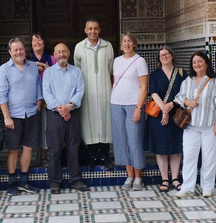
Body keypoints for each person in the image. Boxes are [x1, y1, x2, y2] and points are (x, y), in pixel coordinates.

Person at [173, 51, 216, 198]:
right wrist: (188, 102)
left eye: (200, 61)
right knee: (189, 157)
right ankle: (187, 188)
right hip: (191, 126)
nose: (197, 64)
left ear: (206, 63)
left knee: (209, 158)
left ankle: (207, 187)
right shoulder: (188, 81)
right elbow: (179, 97)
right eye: (194, 62)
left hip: (210, 126)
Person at [0, 37, 43, 195]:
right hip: (13, 116)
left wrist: (37, 109)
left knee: (28, 148)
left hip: (31, 114)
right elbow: (1, 96)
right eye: (15, 49)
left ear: (25, 50)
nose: (18, 52)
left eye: (21, 49)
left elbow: (38, 90)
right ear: (10, 52)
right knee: (13, 149)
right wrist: (6, 117)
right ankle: (12, 182)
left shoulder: (32, 67)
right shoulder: (4, 69)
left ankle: (24, 181)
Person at [42, 43, 88, 194]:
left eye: (64, 52)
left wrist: (69, 106)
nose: (61, 54)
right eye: (58, 52)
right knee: (54, 149)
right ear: (54, 55)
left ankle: (75, 180)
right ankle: (55, 181)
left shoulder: (77, 71)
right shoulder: (49, 73)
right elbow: (47, 93)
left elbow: (80, 90)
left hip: (72, 113)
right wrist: (61, 109)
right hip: (55, 115)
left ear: (69, 53)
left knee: (73, 147)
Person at [73, 19, 114, 168]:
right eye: (90, 29)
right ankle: (91, 157)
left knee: (105, 122)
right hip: (87, 92)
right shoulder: (79, 48)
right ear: (85, 30)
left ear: (99, 30)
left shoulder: (107, 46)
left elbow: (110, 69)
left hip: (105, 91)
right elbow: (77, 69)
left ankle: (104, 156)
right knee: (88, 123)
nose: (93, 31)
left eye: (95, 28)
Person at [145, 46, 186, 192]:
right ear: (159, 58)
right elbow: (153, 93)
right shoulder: (155, 74)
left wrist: (171, 105)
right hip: (158, 116)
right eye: (161, 55)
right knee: (161, 149)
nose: (164, 56)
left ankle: (175, 178)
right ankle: (165, 178)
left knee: (176, 148)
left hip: (176, 115)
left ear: (172, 56)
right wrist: (164, 109)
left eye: (166, 54)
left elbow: (184, 92)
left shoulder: (181, 73)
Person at [111, 33, 149, 191]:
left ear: (134, 44)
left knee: (134, 140)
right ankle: (129, 176)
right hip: (116, 104)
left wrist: (139, 108)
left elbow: (144, 87)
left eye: (129, 41)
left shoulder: (140, 61)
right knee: (121, 140)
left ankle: (138, 177)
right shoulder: (117, 61)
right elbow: (115, 82)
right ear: (121, 45)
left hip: (134, 104)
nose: (126, 44)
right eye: (124, 41)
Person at [29, 32, 56, 168]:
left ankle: (44, 156)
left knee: (46, 127)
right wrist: (34, 66)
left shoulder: (52, 59)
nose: (37, 43)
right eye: (34, 41)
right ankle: (32, 157)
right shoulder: (27, 60)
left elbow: (59, 74)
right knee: (32, 129)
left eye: (39, 40)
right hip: (30, 101)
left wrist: (44, 67)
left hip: (48, 101)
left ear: (44, 43)